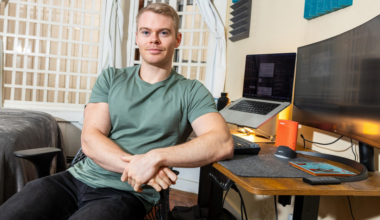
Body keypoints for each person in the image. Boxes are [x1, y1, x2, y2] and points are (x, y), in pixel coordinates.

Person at [0, 3, 233, 220]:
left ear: (177, 39)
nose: (154, 40)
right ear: (137, 37)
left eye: (163, 32)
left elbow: (221, 142)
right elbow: (91, 139)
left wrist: (155, 158)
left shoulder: (191, 91)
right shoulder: (111, 78)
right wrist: (142, 169)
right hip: (76, 178)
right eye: (146, 32)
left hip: (129, 193)